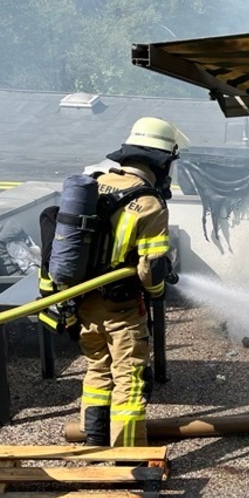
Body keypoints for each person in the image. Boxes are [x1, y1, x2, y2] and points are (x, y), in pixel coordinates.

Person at [78, 117, 186, 447]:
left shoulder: (94, 184)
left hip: (85, 302)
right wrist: (157, 291)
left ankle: (95, 441)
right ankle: (126, 459)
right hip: (121, 308)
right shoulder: (150, 204)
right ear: (163, 162)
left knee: (98, 369)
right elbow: (151, 270)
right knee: (130, 379)